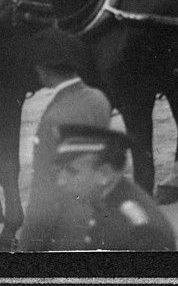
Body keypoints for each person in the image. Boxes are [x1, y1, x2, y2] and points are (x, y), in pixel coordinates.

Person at [17, 29, 112, 252]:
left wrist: (26, 247)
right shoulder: (99, 99)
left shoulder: (52, 121)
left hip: (67, 234)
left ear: (43, 70)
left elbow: (44, 196)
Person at [51, 124, 177, 251]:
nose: (61, 181)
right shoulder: (103, 203)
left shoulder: (139, 229)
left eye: (72, 171)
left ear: (104, 174)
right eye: (59, 171)